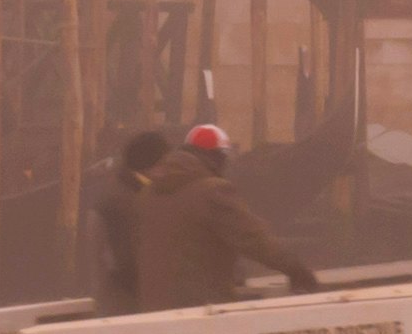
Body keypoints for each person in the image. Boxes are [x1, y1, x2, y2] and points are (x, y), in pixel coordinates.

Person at [126, 121, 324, 310]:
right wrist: (296, 270)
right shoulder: (213, 191)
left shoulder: (147, 195)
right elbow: (254, 240)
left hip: (154, 310)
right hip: (203, 312)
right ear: (217, 157)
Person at [85, 126, 181, 315]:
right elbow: (128, 260)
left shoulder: (121, 191)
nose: (170, 169)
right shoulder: (128, 201)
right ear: (151, 164)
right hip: (127, 304)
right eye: (165, 163)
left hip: (119, 297)